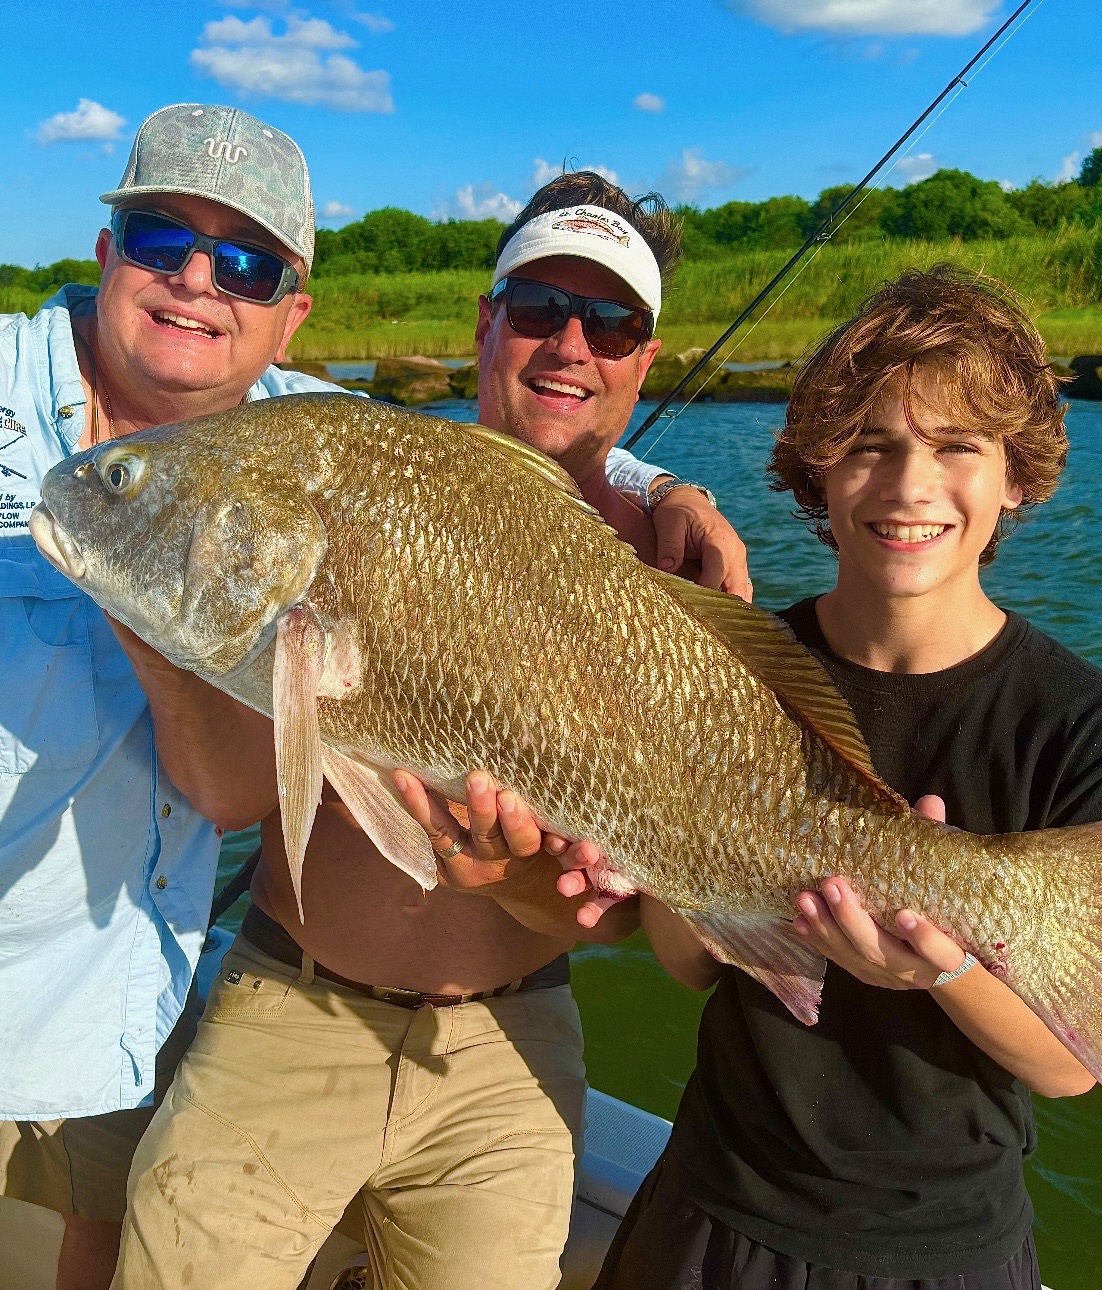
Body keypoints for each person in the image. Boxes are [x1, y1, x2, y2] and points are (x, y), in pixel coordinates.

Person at [0, 101, 743, 1290]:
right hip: (287, 998)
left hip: (513, 1031)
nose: (571, 346)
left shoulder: (672, 571)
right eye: (542, 309)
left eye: (611, 323)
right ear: (488, 323)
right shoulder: (358, 453)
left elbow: (629, 917)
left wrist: (676, 495)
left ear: (647, 356)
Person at [579, 266, 1102, 1290]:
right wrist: (659, 857)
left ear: (1016, 476)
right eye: (868, 445)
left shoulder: (1092, 732)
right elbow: (692, 965)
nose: (909, 487)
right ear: (818, 473)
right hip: (713, 1204)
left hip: (943, 1247)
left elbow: (1072, 1067)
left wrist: (941, 971)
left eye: (958, 448)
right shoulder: (723, 669)